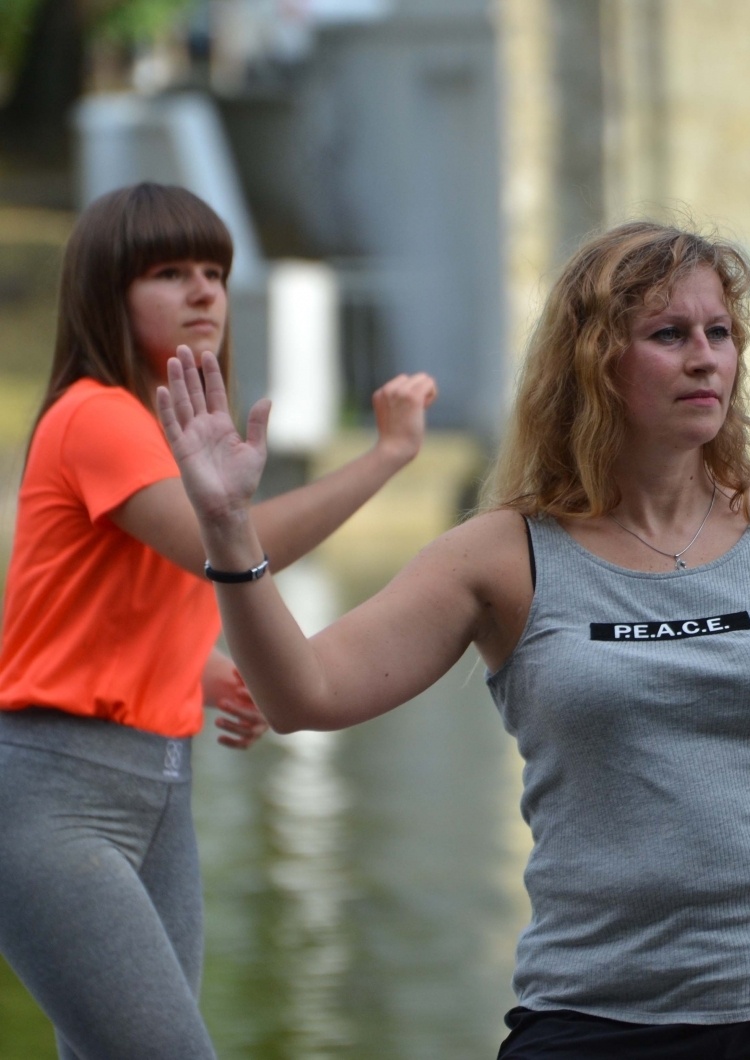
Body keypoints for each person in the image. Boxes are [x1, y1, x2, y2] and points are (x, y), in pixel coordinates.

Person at [158, 220, 750, 1059]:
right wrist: (229, 530)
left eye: (719, 333)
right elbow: (302, 693)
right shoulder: (505, 554)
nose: (705, 357)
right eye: (668, 335)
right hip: (597, 1021)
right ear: (594, 360)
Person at [0, 182, 436, 1060]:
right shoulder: (99, 414)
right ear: (106, 294)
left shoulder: (160, 437)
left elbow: (93, 600)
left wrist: (196, 671)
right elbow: (232, 550)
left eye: (215, 271)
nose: (205, 291)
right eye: (170, 271)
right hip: (58, 795)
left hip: (161, 788)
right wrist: (385, 457)